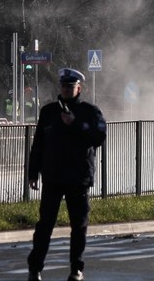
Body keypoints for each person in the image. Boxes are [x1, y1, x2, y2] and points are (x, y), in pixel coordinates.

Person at [26, 68, 106, 281]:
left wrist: (76, 124)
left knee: (78, 226)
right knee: (45, 225)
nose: (66, 90)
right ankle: (35, 269)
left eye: (70, 87)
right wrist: (32, 173)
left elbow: (98, 137)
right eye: (63, 86)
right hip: (53, 176)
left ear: (79, 88)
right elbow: (39, 144)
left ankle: (76, 269)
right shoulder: (49, 112)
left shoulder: (89, 112)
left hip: (78, 178)